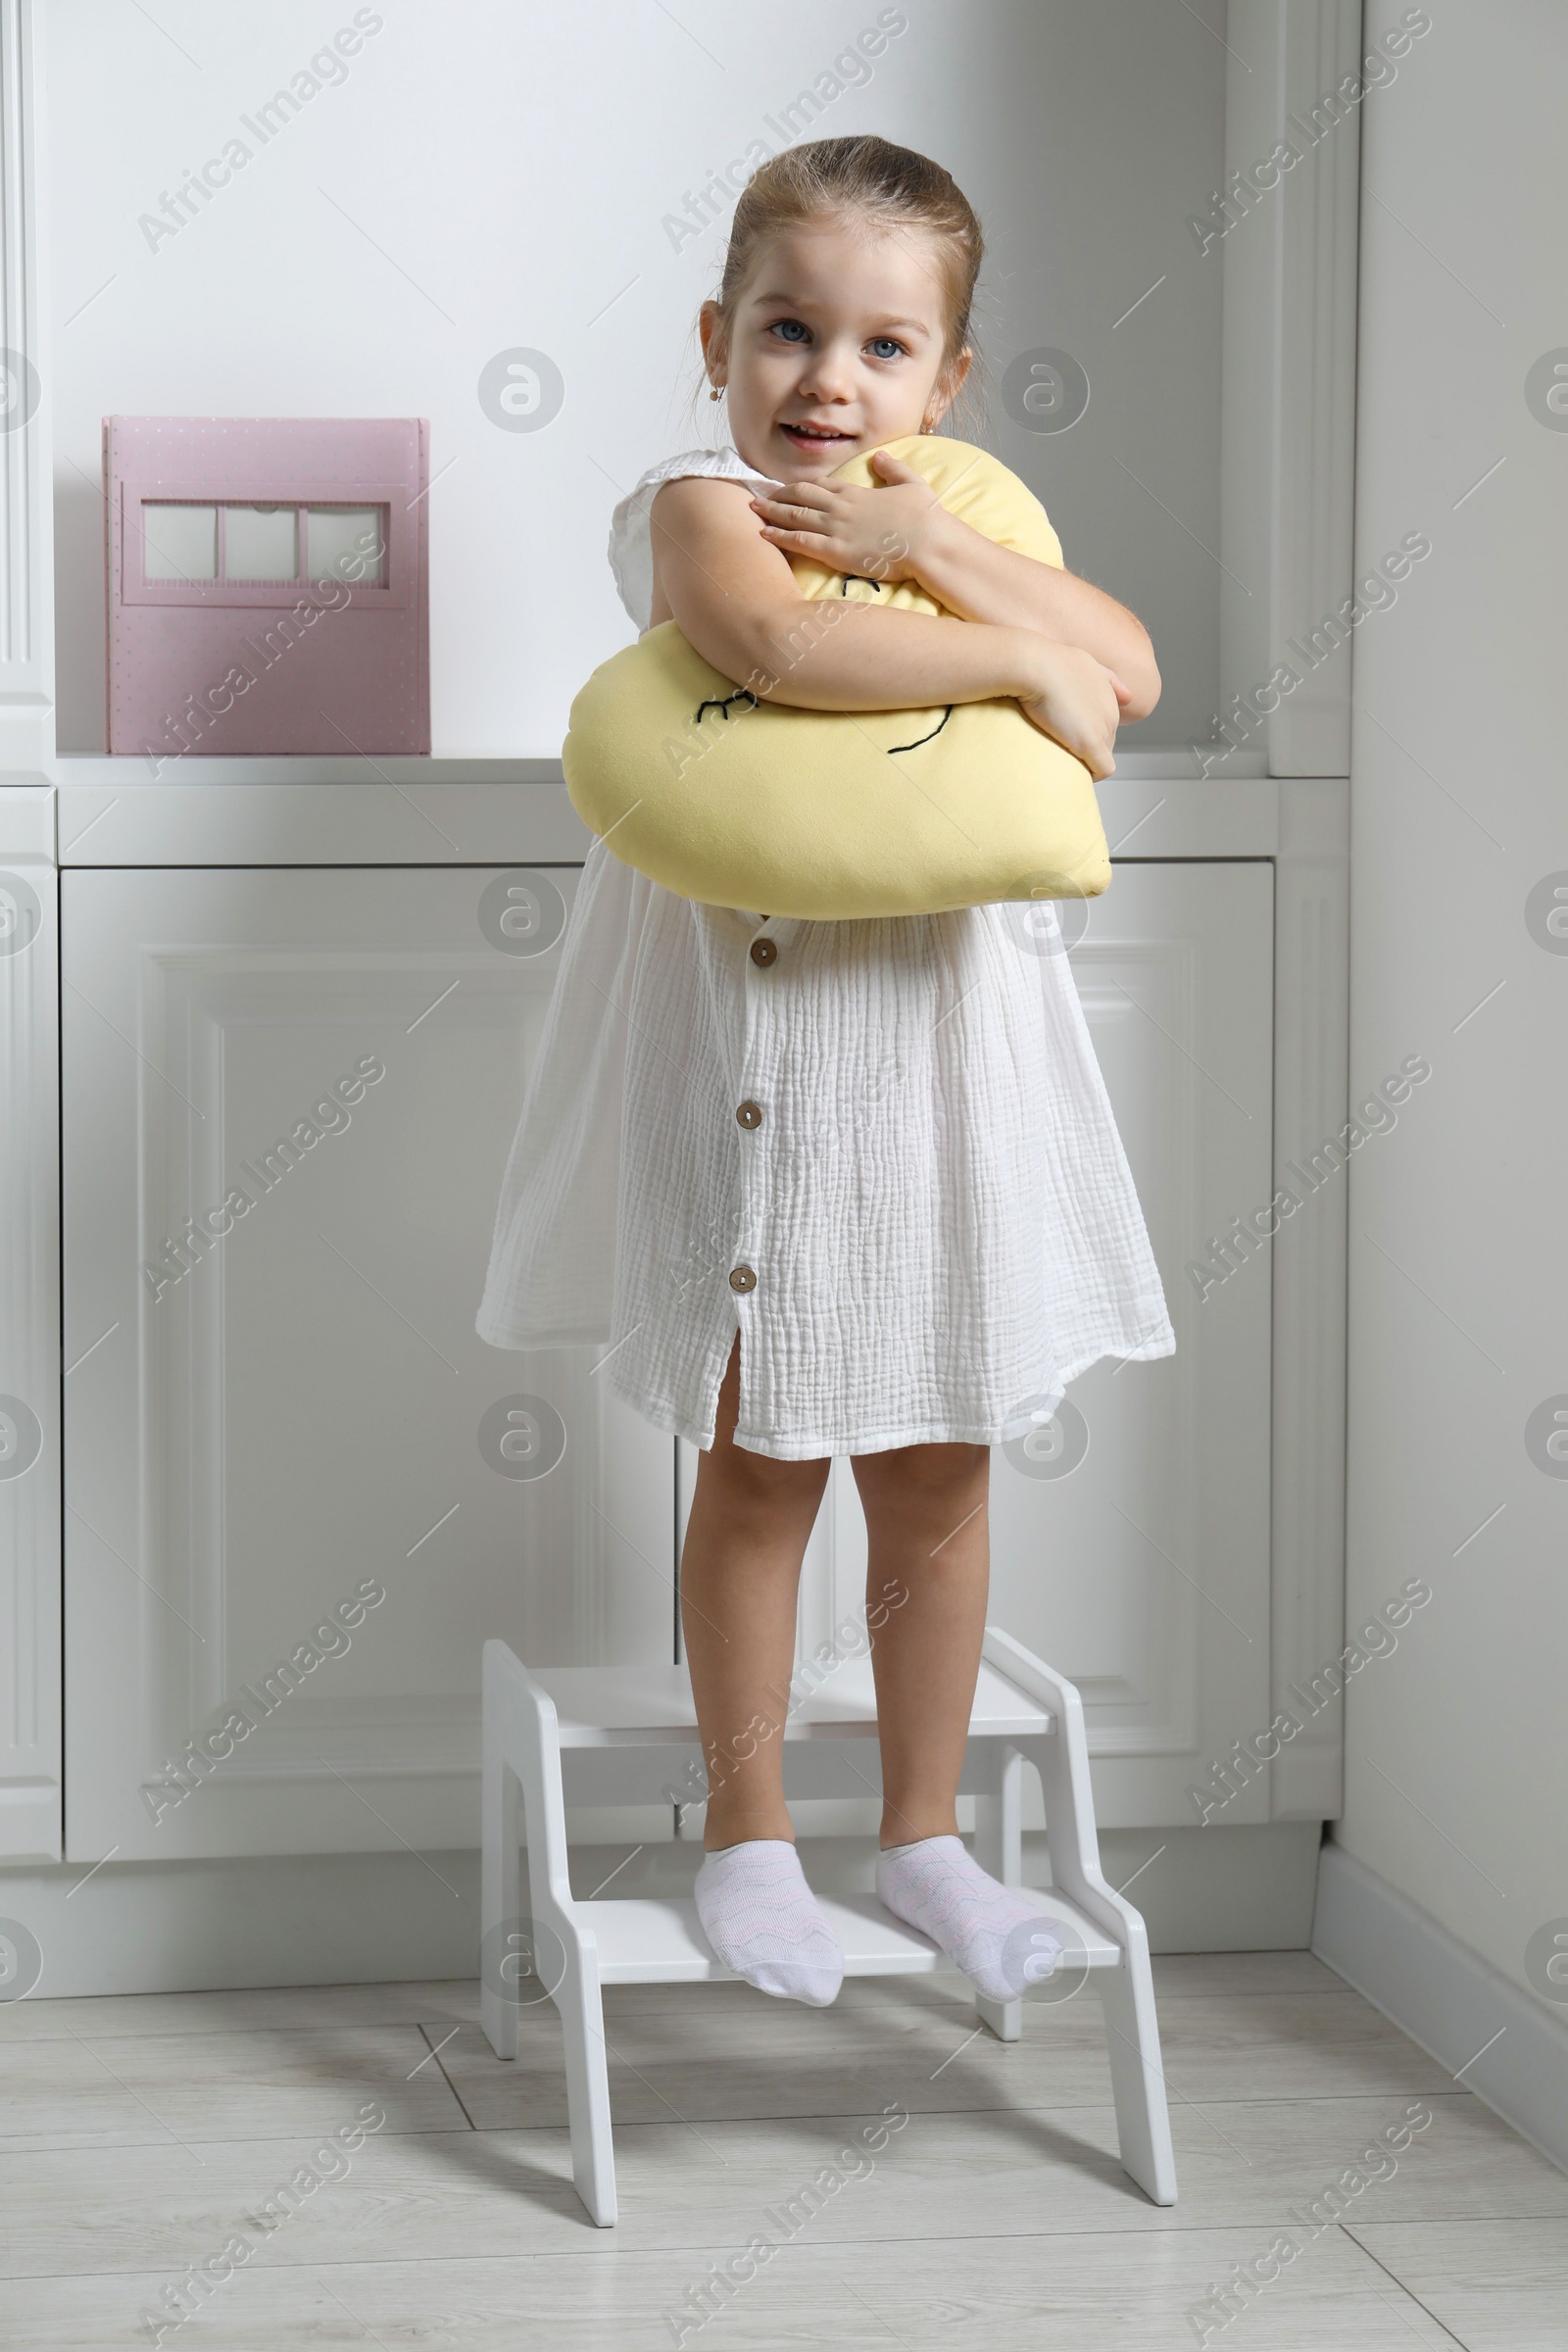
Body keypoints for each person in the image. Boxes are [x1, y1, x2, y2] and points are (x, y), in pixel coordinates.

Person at [478, 133, 1175, 2008]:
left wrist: (937, 551)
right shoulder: (701, 501)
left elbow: (1140, 667)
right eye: (789, 332)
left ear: (942, 384)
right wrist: (1016, 677)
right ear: (719, 338)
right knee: (765, 1456)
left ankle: (928, 1839)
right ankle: (750, 1841)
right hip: (761, 1059)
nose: (828, 383)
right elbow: (775, 647)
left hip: (943, 1058)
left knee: (940, 1465)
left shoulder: (958, 518)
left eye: (882, 349)